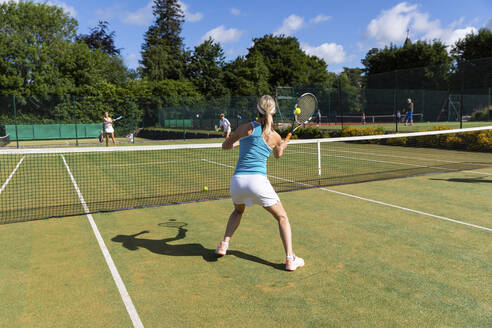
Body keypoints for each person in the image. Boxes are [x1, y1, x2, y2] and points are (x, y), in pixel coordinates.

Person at [215, 95, 304, 271]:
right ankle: (289, 259)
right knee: (282, 217)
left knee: (237, 212)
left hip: (238, 182)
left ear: (257, 110)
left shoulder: (244, 128)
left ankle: (224, 244)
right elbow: (278, 155)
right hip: (257, 182)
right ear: (273, 112)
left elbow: (225, 146)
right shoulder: (276, 136)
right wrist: (282, 145)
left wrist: (239, 141)